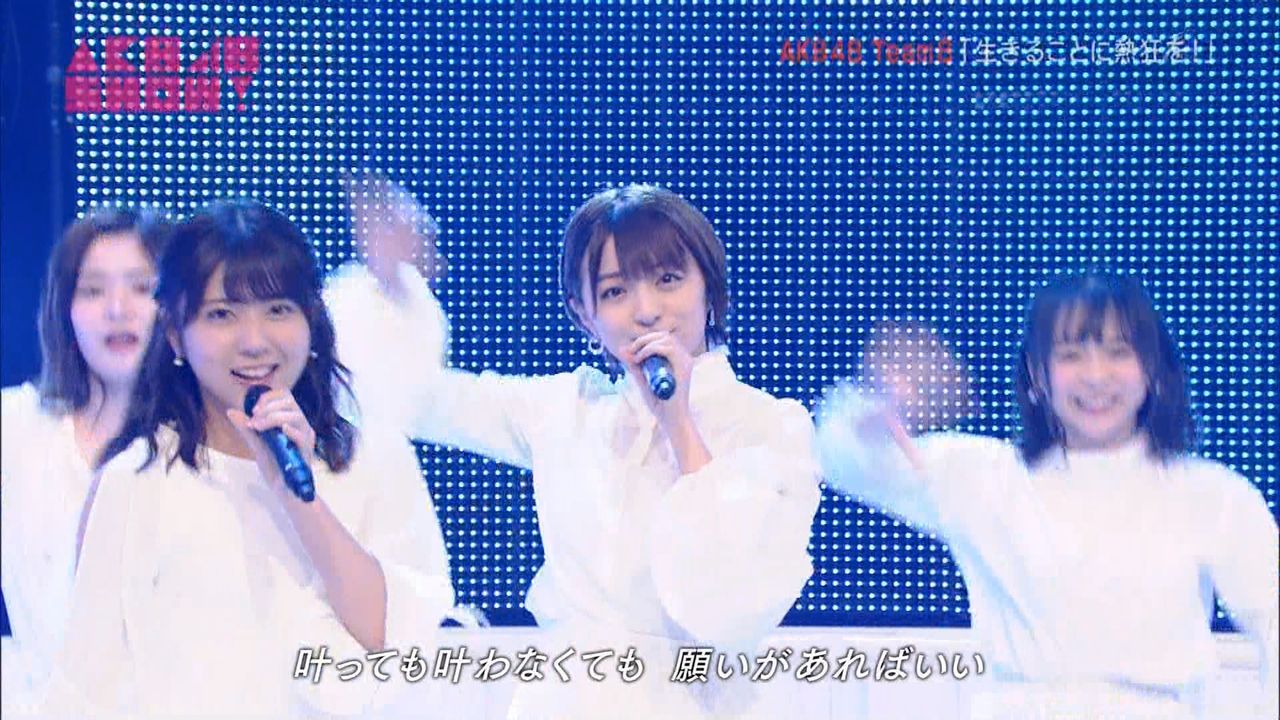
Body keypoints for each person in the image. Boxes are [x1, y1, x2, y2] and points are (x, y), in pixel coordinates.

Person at [325, 179, 822, 718]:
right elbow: (424, 400)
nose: (647, 309)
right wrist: (391, 287)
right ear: (584, 314)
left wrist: (678, 423)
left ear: (709, 286)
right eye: (615, 292)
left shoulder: (770, 428)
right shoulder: (566, 411)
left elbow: (732, 604)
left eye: (668, 279)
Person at [47, 199, 456, 718]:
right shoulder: (136, 480)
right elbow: (86, 686)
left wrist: (300, 498)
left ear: (312, 321)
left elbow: (397, 644)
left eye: (278, 310)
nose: (254, 341)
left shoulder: (376, 460)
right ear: (174, 335)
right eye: (222, 314)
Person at [815, 271, 1279, 719]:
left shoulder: (1213, 497)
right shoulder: (986, 478)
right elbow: (843, 459)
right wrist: (877, 411)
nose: (1096, 376)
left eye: (1118, 353)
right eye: (1071, 355)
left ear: (1152, 369)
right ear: (1038, 375)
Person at [1, 207, 172, 716]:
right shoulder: (17, 428)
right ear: (65, 309)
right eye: (93, 290)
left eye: (142, 288)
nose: (118, 309)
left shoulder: (206, 444)